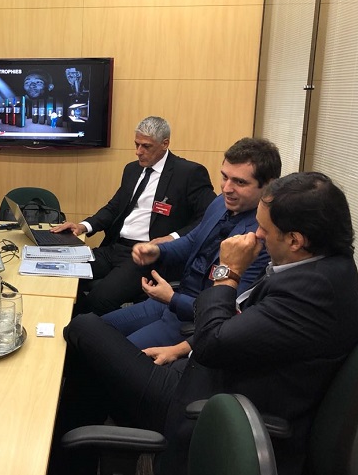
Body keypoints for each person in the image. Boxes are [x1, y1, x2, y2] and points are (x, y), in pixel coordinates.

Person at [50, 172, 358, 475]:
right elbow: (252, 328)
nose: (256, 235)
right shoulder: (328, 268)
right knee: (92, 369)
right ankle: (71, 468)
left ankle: (65, 466)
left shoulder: (312, 292)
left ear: (296, 240)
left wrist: (228, 272)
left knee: (83, 327)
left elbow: (216, 340)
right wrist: (182, 347)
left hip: (205, 405)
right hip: (202, 372)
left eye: (265, 230)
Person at [101, 137, 281, 348]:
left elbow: (230, 308)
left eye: (240, 182)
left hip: (193, 319)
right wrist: (158, 250)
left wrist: (171, 298)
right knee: (95, 329)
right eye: (224, 177)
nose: (226, 188)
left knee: (111, 352)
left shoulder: (262, 238)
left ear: (268, 185)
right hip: (173, 300)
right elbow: (193, 240)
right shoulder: (220, 204)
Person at [52, 116, 216, 314]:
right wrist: (83, 226)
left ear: (165, 144)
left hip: (145, 257)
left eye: (146, 146)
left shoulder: (189, 173)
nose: (139, 152)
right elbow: (114, 208)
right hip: (115, 248)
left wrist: (171, 239)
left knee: (98, 300)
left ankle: (73, 338)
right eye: (137, 144)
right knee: (59, 270)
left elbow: (209, 218)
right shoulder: (132, 169)